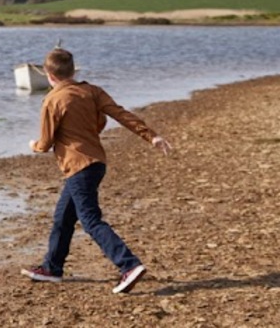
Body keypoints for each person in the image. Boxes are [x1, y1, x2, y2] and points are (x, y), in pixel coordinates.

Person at [20, 47, 172, 294]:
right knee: (63, 217)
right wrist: (151, 136)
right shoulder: (92, 91)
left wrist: (34, 146)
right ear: (73, 70)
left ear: (49, 75)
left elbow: (45, 143)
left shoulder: (52, 100)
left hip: (79, 166)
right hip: (95, 164)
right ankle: (52, 269)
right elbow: (121, 114)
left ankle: (129, 265)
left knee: (90, 220)